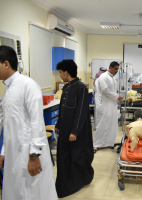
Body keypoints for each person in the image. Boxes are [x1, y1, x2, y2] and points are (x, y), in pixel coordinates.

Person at [0, 45, 58, 200]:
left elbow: (37, 123)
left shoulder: (28, 85)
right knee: (15, 190)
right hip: (13, 153)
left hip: (28, 154)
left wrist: (34, 155)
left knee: (31, 193)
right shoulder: (9, 88)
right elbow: (9, 125)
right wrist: (4, 151)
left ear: (6, 64)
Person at [55, 60, 94, 198]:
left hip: (77, 130)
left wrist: (75, 131)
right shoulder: (66, 88)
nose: (59, 75)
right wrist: (58, 124)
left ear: (66, 72)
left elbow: (81, 112)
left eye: (60, 72)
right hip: (65, 128)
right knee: (65, 154)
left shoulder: (81, 88)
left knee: (78, 155)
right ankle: (66, 180)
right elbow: (62, 108)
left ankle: (82, 180)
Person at [93, 61, 123, 152]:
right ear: (110, 67)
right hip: (104, 105)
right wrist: (117, 96)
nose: (117, 71)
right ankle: (96, 144)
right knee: (102, 124)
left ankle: (107, 143)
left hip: (111, 104)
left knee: (110, 124)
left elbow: (112, 90)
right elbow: (104, 90)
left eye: (118, 69)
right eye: (115, 69)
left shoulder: (112, 77)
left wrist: (116, 96)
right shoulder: (103, 77)